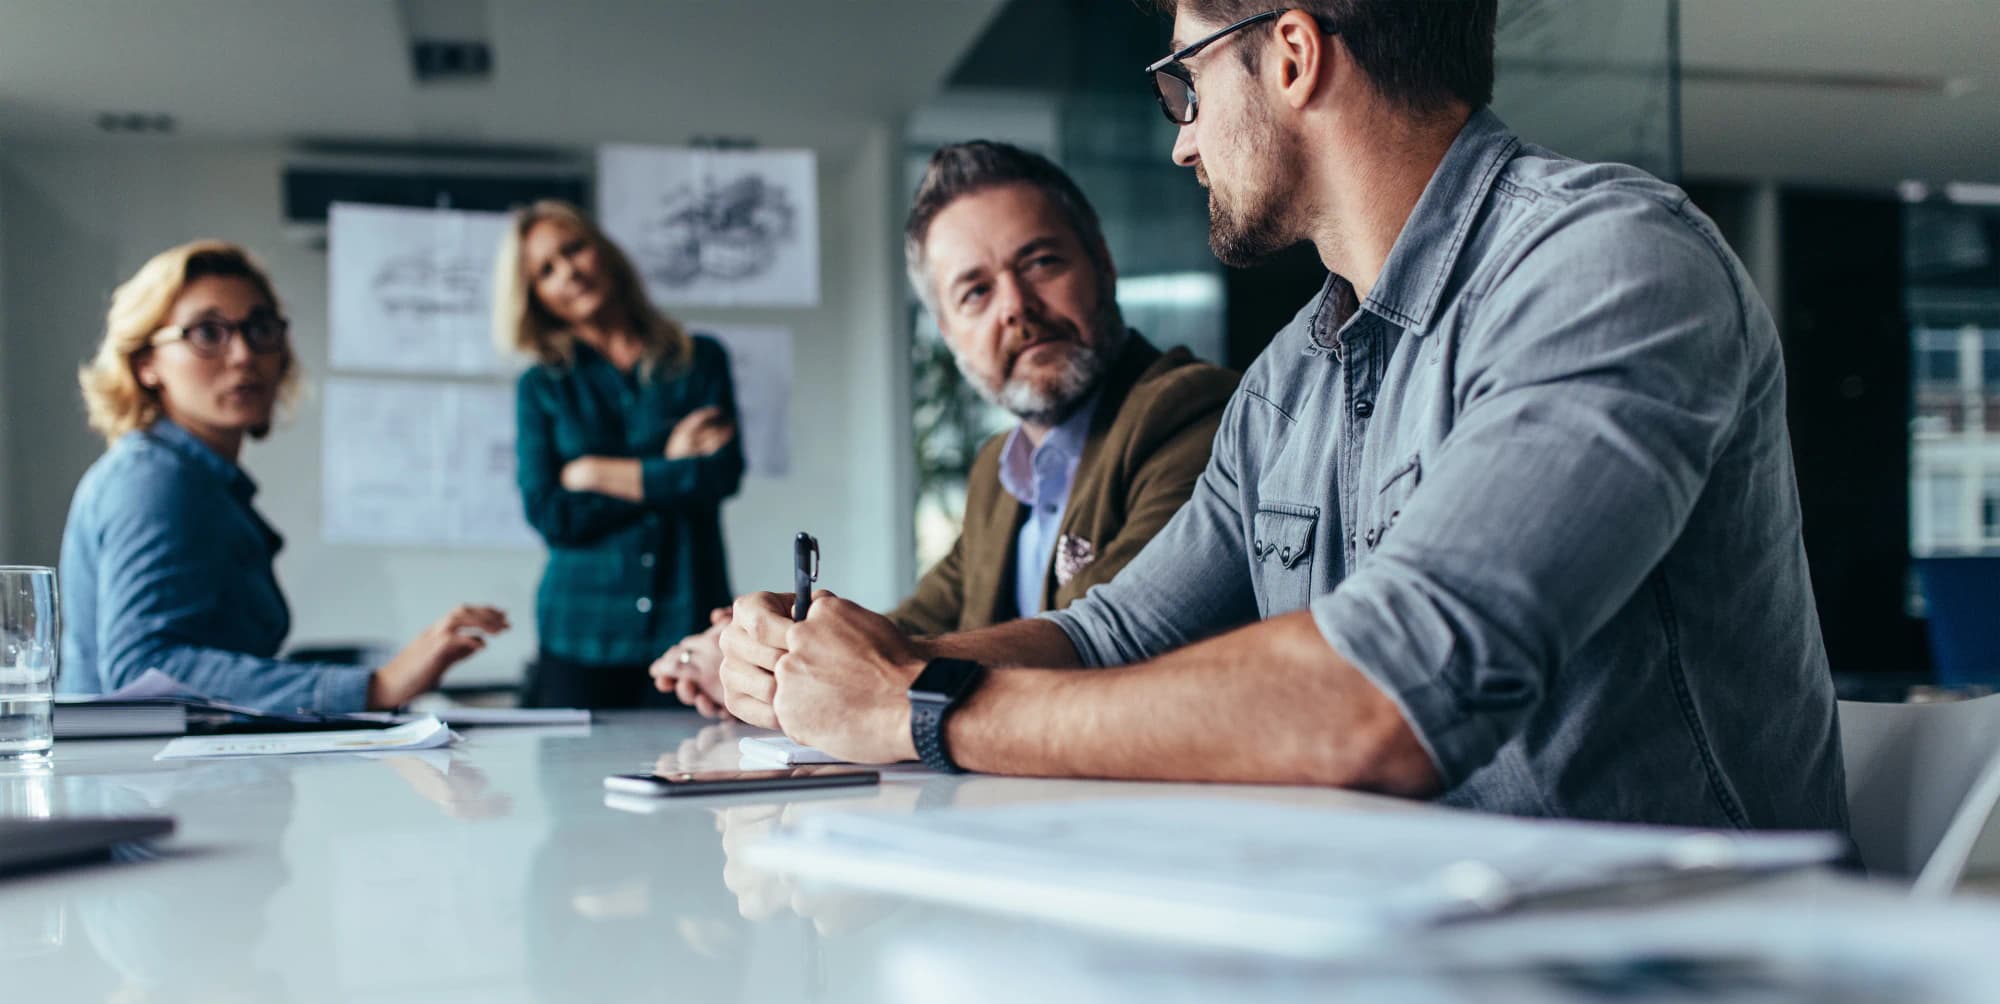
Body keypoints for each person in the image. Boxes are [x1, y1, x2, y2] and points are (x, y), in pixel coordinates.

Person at [717, 1, 1848, 831]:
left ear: (1293, 55)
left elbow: (1385, 696)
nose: (1181, 138)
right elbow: (1110, 634)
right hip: (1422, 952)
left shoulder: (1608, 265)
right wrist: (837, 671)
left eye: (1187, 84)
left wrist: (922, 710)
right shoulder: (1287, 380)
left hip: (1684, 1003)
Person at [653, 142, 1238, 715]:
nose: (1014, 306)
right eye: (976, 291)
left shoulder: (1188, 413)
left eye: (1041, 263)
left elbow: (1115, 639)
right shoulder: (997, 468)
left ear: (1103, 263)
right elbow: (919, 622)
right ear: (948, 330)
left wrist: (823, 669)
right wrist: (769, 646)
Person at [59, 240, 508, 713]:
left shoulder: (203, 483)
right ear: (145, 363)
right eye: (208, 333)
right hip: (135, 783)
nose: (244, 355)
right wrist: (374, 687)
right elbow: (142, 669)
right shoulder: (154, 480)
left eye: (261, 329)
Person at [498, 200, 744, 709]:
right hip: (579, 633)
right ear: (535, 296)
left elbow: (720, 475)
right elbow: (551, 513)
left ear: (602, 251)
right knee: (568, 788)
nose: (568, 271)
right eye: (546, 270)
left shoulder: (699, 360)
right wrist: (669, 465)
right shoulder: (542, 387)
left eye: (574, 249)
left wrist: (592, 473)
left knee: (698, 774)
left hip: (687, 622)